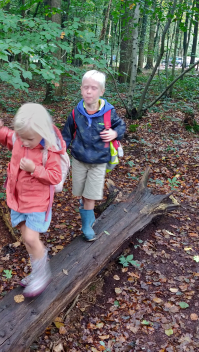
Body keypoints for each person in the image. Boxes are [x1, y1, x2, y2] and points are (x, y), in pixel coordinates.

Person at [0, 103, 66, 297]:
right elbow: (9, 137)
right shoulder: (20, 138)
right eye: (21, 136)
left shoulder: (50, 150)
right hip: (18, 197)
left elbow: (55, 177)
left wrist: (34, 169)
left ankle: (42, 274)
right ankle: (36, 271)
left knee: (32, 238)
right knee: (25, 238)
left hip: (37, 201)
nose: (24, 142)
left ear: (43, 132)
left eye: (29, 139)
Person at [62, 70, 126, 241]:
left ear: (101, 91)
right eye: (86, 88)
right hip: (79, 160)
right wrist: (59, 150)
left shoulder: (108, 112)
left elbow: (121, 126)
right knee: (81, 192)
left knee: (90, 195)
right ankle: (86, 210)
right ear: (81, 89)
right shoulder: (76, 113)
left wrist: (114, 133)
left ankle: (87, 227)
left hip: (99, 161)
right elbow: (66, 135)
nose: (89, 91)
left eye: (94, 88)